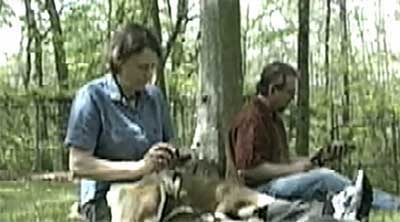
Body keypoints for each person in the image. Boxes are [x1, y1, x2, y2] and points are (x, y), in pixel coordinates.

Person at [229, 61, 400, 211]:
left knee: (325, 174)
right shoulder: (252, 117)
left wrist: (314, 159)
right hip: (256, 192)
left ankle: (387, 204)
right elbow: (248, 170)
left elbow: (281, 161)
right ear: (273, 89)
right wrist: (294, 169)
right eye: (289, 93)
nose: (292, 99)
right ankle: (391, 206)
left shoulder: (273, 118)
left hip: (273, 184)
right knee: (324, 179)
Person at [64, 23, 176, 222]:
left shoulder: (155, 98)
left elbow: (171, 143)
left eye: (152, 67)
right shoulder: (92, 97)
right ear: (119, 61)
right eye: (142, 67)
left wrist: (171, 155)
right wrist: (139, 167)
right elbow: (78, 164)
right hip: (104, 199)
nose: (149, 75)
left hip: (153, 192)